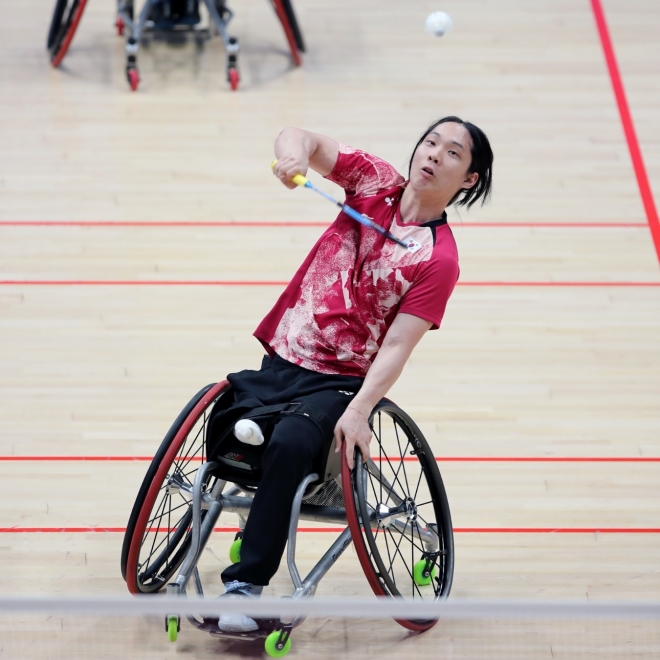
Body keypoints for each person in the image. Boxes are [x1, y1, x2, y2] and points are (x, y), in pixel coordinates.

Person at [217, 116, 493, 632]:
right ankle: (265, 454)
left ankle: (245, 585)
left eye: (453, 153)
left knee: (293, 439)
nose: (433, 155)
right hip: (287, 350)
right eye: (430, 142)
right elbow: (301, 136)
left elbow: (396, 346)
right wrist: (293, 157)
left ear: (468, 179)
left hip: (338, 381)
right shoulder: (374, 180)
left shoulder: (439, 259)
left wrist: (361, 408)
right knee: (229, 421)